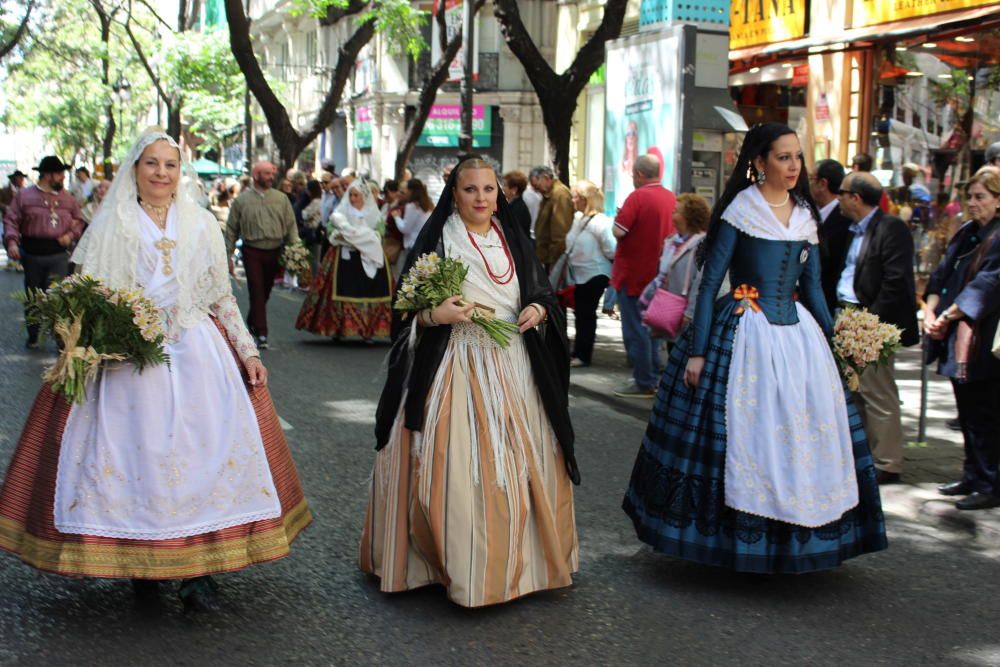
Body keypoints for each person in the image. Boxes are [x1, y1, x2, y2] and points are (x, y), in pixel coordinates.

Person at [0, 131, 311, 612]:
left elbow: (219, 295)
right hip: (130, 360)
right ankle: (140, 562)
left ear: (180, 172)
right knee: (134, 459)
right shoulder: (110, 226)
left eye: (171, 164)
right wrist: (96, 339)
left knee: (204, 454)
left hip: (197, 353)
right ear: (135, 168)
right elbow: (88, 294)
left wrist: (248, 352)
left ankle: (199, 572)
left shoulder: (203, 225)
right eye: (152, 163)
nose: (162, 173)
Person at [622, 122, 887, 573]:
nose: (792, 166)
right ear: (759, 161)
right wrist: (700, 350)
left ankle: (798, 539)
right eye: (783, 157)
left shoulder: (805, 215)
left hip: (798, 337)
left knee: (803, 434)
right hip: (743, 330)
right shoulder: (740, 210)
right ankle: (734, 541)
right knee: (741, 435)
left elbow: (815, 289)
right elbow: (708, 286)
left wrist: (837, 342)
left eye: (797, 157)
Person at [361, 155, 578, 607]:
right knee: (456, 467)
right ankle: (457, 566)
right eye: (470, 190)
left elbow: (541, 292)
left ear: (499, 193)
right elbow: (404, 310)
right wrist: (433, 315)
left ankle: (519, 565)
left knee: (520, 466)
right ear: (454, 195)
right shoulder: (439, 239)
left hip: (516, 365)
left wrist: (538, 310)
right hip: (454, 362)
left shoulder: (513, 236)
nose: (481, 198)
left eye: (488, 189)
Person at [833, 171, 919, 483]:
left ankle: (888, 462)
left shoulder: (891, 227)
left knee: (877, 391)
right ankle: (866, 455)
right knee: (856, 389)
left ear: (855, 197)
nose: (838, 198)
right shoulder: (852, 229)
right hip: (847, 315)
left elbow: (895, 279)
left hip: (871, 319)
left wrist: (872, 322)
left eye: (842, 192)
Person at [924, 167, 1000, 510]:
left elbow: (988, 284)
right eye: (970, 197)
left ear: (998, 200)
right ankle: (971, 475)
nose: (972, 203)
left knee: (985, 413)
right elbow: (942, 273)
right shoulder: (969, 231)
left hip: (983, 338)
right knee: (966, 410)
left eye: (980, 197)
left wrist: (947, 314)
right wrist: (931, 309)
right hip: (956, 334)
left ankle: (988, 482)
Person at [610, 153, 676, 397]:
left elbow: (618, 231)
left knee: (636, 331)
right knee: (654, 330)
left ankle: (643, 381)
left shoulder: (637, 197)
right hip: (661, 276)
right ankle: (655, 377)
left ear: (639, 174)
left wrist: (620, 216)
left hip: (634, 276)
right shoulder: (671, 198)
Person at [295, 180, 392, 341]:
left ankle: (368, 330)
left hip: (368, 255)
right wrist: (338, 235)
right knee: (338, 288)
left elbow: (380, 231)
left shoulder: (373, 214)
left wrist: (366, 237)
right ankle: (338, 328)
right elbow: (331, 228)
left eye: (356, 195)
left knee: (371, 290)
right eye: (351, 195)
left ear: (364, 196)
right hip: (343, 255)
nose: (353, 198)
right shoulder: (342, 211)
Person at [3, 156, 85, 348]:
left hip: (58, 254)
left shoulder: (68, 199)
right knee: (33, 297)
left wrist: (71, 235)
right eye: (60, 174)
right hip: (32, 254)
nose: (63, 178)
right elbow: (11, 220)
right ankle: (34, 335)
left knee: (59, 298)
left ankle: (61, 338)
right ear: (48, 175)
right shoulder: (24, 196)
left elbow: (79, 221)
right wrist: (13, 243)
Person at [225, 160, 300, 350]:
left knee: (265, 292)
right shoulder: (241, 200)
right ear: (256, 175)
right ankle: (262, 333)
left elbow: (291, 226)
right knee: (256, 291)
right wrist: (228, 255)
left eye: (271, 174)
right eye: (266, 174)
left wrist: (296, 250)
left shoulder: (281, 199)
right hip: (252, 250)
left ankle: (252, 321)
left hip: (275, 249)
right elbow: (232, 229)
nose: (270, 177)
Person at [638, 193, 716, 342]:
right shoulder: (670, 241)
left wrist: (690, 312)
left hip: (685, 310)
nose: (672, 213)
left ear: (689, 216)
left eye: (677, 211)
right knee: (670, 347)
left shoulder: (702, 245)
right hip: (668, 307)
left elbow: (700, 281)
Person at [565, 179, 616, 367]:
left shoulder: (600, 222)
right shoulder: (579, 219)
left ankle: (583, 355)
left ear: (586, 199)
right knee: (581, 314)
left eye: (576, 197)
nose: (573, 200)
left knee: (586, 314)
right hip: (579, 273)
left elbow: (611, 249)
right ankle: (579, 351)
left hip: (595, 273)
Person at [810, 159, 854, 311]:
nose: (808, 184)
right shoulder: (809, 214)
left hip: (829, 302)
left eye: (811, 179)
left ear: (822, 184)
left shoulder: (845, 219)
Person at [532, 166, 574, 271]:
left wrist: (554, 261)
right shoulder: (549, 194)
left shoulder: (560, 195)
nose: (536, 190)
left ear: (546, 178)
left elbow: (560, 233)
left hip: (554, 259)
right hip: (548, 257)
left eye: (537, 186)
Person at [391, 178, 433, 274]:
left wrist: (396, 217)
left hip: (412, 246)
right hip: (423, 245)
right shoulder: (428, 204)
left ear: (411, 191)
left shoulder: (412, 206)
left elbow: (405, 229)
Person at [502, 170, 533, 240]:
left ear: (514, 190)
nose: (503, 188)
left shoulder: (517, 209)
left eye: (505, 185)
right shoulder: (514, 205)